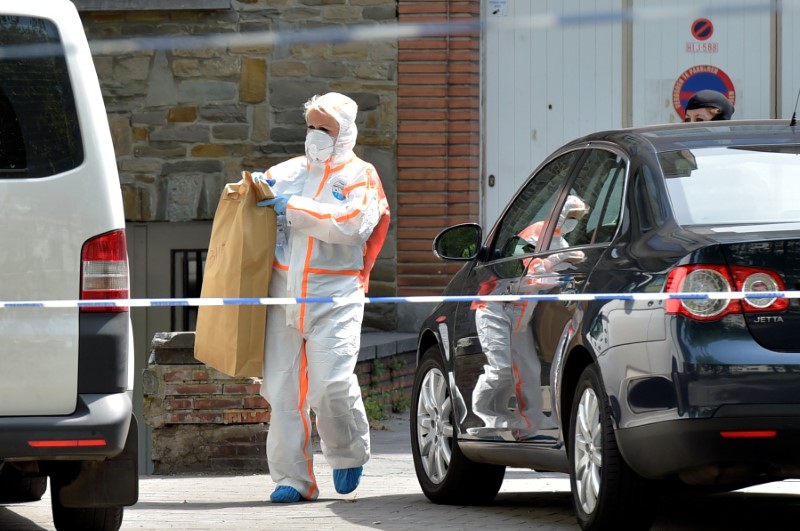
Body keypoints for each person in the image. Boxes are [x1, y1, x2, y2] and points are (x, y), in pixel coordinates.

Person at [254, 92, 390, 503]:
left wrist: (292, 208)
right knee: (281, 392)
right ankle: (292, 479)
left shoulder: (359, 175)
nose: (315, 135)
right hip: (283, 296)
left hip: (335, 296)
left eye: (324, 128)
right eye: (310, 126)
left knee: (329, 385)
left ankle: (347, 453)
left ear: (345, 132)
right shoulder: (288, 171)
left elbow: (352, 226)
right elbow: (255, 198)